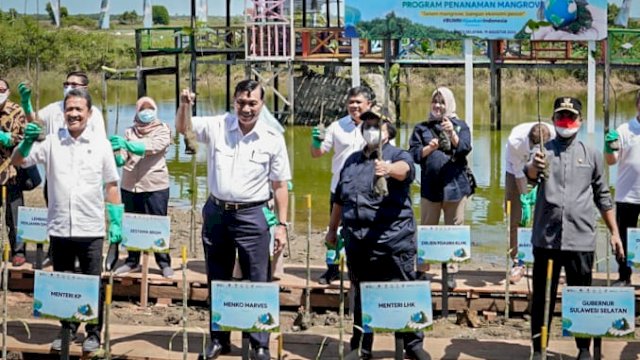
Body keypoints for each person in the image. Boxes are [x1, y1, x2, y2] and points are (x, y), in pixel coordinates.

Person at [176, 80, 290, 360]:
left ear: (262, 104)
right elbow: (183, 128)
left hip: (253, 215)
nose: (246, 108)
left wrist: (281, 226)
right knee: (218, 277)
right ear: (234, 101)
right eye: (241, 102)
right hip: (217, 212)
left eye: (252, 103)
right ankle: (219, 339)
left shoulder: (272, 137)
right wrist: (184, 105)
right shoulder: (217, 125)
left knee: (257, 279)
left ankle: (259, 342)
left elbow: (279, 186)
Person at [11, 88, 123, 353]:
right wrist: (25, 142)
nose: (74, 114)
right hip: (60, 227)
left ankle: (93, 331)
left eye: (79, 109)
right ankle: (67, 329)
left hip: (91, 226)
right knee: (63, 281)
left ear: (89, 113)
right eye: (69, 109)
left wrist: (116, 220)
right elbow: (18, 160)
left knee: (92, 280)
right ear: (63, 113)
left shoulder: (101, 144)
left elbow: (111, 185)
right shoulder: (51, 142)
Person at [525, 97, 624, 360]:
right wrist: (535, 166)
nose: (565, 122)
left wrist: (614, 232)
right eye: (560, 117)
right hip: (547, 239)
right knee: (542, 299)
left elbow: (603, 195)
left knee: (582, 298)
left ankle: (583, 349)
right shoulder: (542, 150)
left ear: (580, 121)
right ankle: (538, 349)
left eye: (570, 117)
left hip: (581, 240)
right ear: (553, 120)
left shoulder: (591, 153)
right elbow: (528, 176)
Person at [327, 109, 428, 360]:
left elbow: (406, 170)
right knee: (361, 293)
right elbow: (340, 199)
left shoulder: (397, 155)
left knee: (404, 292)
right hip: (358, 242)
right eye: (367, 125)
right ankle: (362, 344)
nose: (370, 129)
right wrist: (331, 230)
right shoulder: (351, 161)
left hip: (394, 241)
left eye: (377, 125)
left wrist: (388, 169)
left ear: (388, 131)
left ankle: (412, 344)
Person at [310, 85, 371, 284]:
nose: (354, 106)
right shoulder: (336, 126)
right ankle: (332, 269)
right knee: (334, 230)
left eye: (358, 102)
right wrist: (317, 141)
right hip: (339, 189)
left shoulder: (377, 126)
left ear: (368, 104)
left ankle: (361, 270)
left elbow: (388, 155)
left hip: (367, 190)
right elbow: (316, 153)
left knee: (365, 231)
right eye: (351, 102)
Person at [408, 86, 472, 277]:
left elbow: (464, 149)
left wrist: (452, 133)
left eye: (442, 102)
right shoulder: (422, 127)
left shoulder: (461, 125)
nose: (438, 105)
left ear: (449, 104)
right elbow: (413, 155)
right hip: (430, 186)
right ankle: (422, 269)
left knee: (455, 229)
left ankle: (452, 271)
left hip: (456, 186)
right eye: (435, 101)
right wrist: (429, 148)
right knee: (427, 228)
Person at [110, 96, 173, 278]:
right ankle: (132, 261)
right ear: (137, 111)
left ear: (155, 110)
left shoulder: (164, 130)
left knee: (158, 224)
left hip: (155, 185)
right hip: (130, 185)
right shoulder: (129, 131)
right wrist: (118, 155)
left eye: (149, 108)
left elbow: (151, 147)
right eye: (142, 108)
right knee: (131, 224)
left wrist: (127, 145)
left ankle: (163, 262)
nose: (146, 112)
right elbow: (122, 153)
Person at [504, 122, 554, 283]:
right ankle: (518, 261)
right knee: (516, 217)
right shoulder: (515, 142)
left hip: (545, 168)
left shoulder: (554, 134)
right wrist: (525, 198)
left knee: (550, 214)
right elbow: (519, 172)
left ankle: (548, 260)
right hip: (515, 169)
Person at [604, 90, 640, 287]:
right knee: (623, 238)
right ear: (637, 105)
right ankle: (624, 276)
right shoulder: (624, 129)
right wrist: (609, 147)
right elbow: (611, 161)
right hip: (627, 195)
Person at [18, 71, 106, 137]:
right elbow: (34, 120)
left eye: (74, 85)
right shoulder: (53, 108)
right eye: (66, 84)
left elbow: (100, 142)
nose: (69, 87)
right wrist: (26, 103)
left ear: (85, 88)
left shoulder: (94, 113)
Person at [0, 79, 28, 266]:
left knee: (15, 216)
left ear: (8, 92)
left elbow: (28, 137)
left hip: (11, 172)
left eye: (1, 89)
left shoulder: (17, 111)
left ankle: (18, 251)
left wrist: (10, 139)